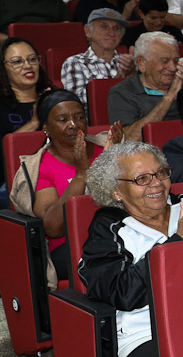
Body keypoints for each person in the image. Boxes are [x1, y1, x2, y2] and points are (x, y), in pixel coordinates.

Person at [77, 142, 183, 357]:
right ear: (116, 190)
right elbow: (122, 292)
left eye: (160, 173)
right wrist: (181, 240)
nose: (156, 183)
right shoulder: (108, 229)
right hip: (145, 333)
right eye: (142, 178)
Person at [10, 90, 110, 281]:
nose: (73, 125)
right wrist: (81, 175)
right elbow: (53, 228)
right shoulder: (39, 168)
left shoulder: (106, 148)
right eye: (63, 120)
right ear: (46, 127)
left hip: (121, 232)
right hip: (71, 246)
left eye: (79, 117)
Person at [0, 38, 55, 193]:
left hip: (58, 170)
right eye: (17, 61)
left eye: (32, 59)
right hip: (14, 178)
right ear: (2, 68)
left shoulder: (55, 97)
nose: (28, 65)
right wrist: (34, 122)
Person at [106, 31, 183, 133]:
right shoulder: (122, 93)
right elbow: (128, 139)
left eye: (175, 61)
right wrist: (168, 99)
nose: (173, 68)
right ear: (141, 63)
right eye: (164, 61)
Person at [60, 9, 133, 117]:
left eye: (116, 28)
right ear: (88, 31)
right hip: (96, 127)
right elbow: (80, 105)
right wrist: (118, 81)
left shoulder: (129, 63)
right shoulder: (76, 63)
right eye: (104, 26)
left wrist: (134, 76)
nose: (112, 33)